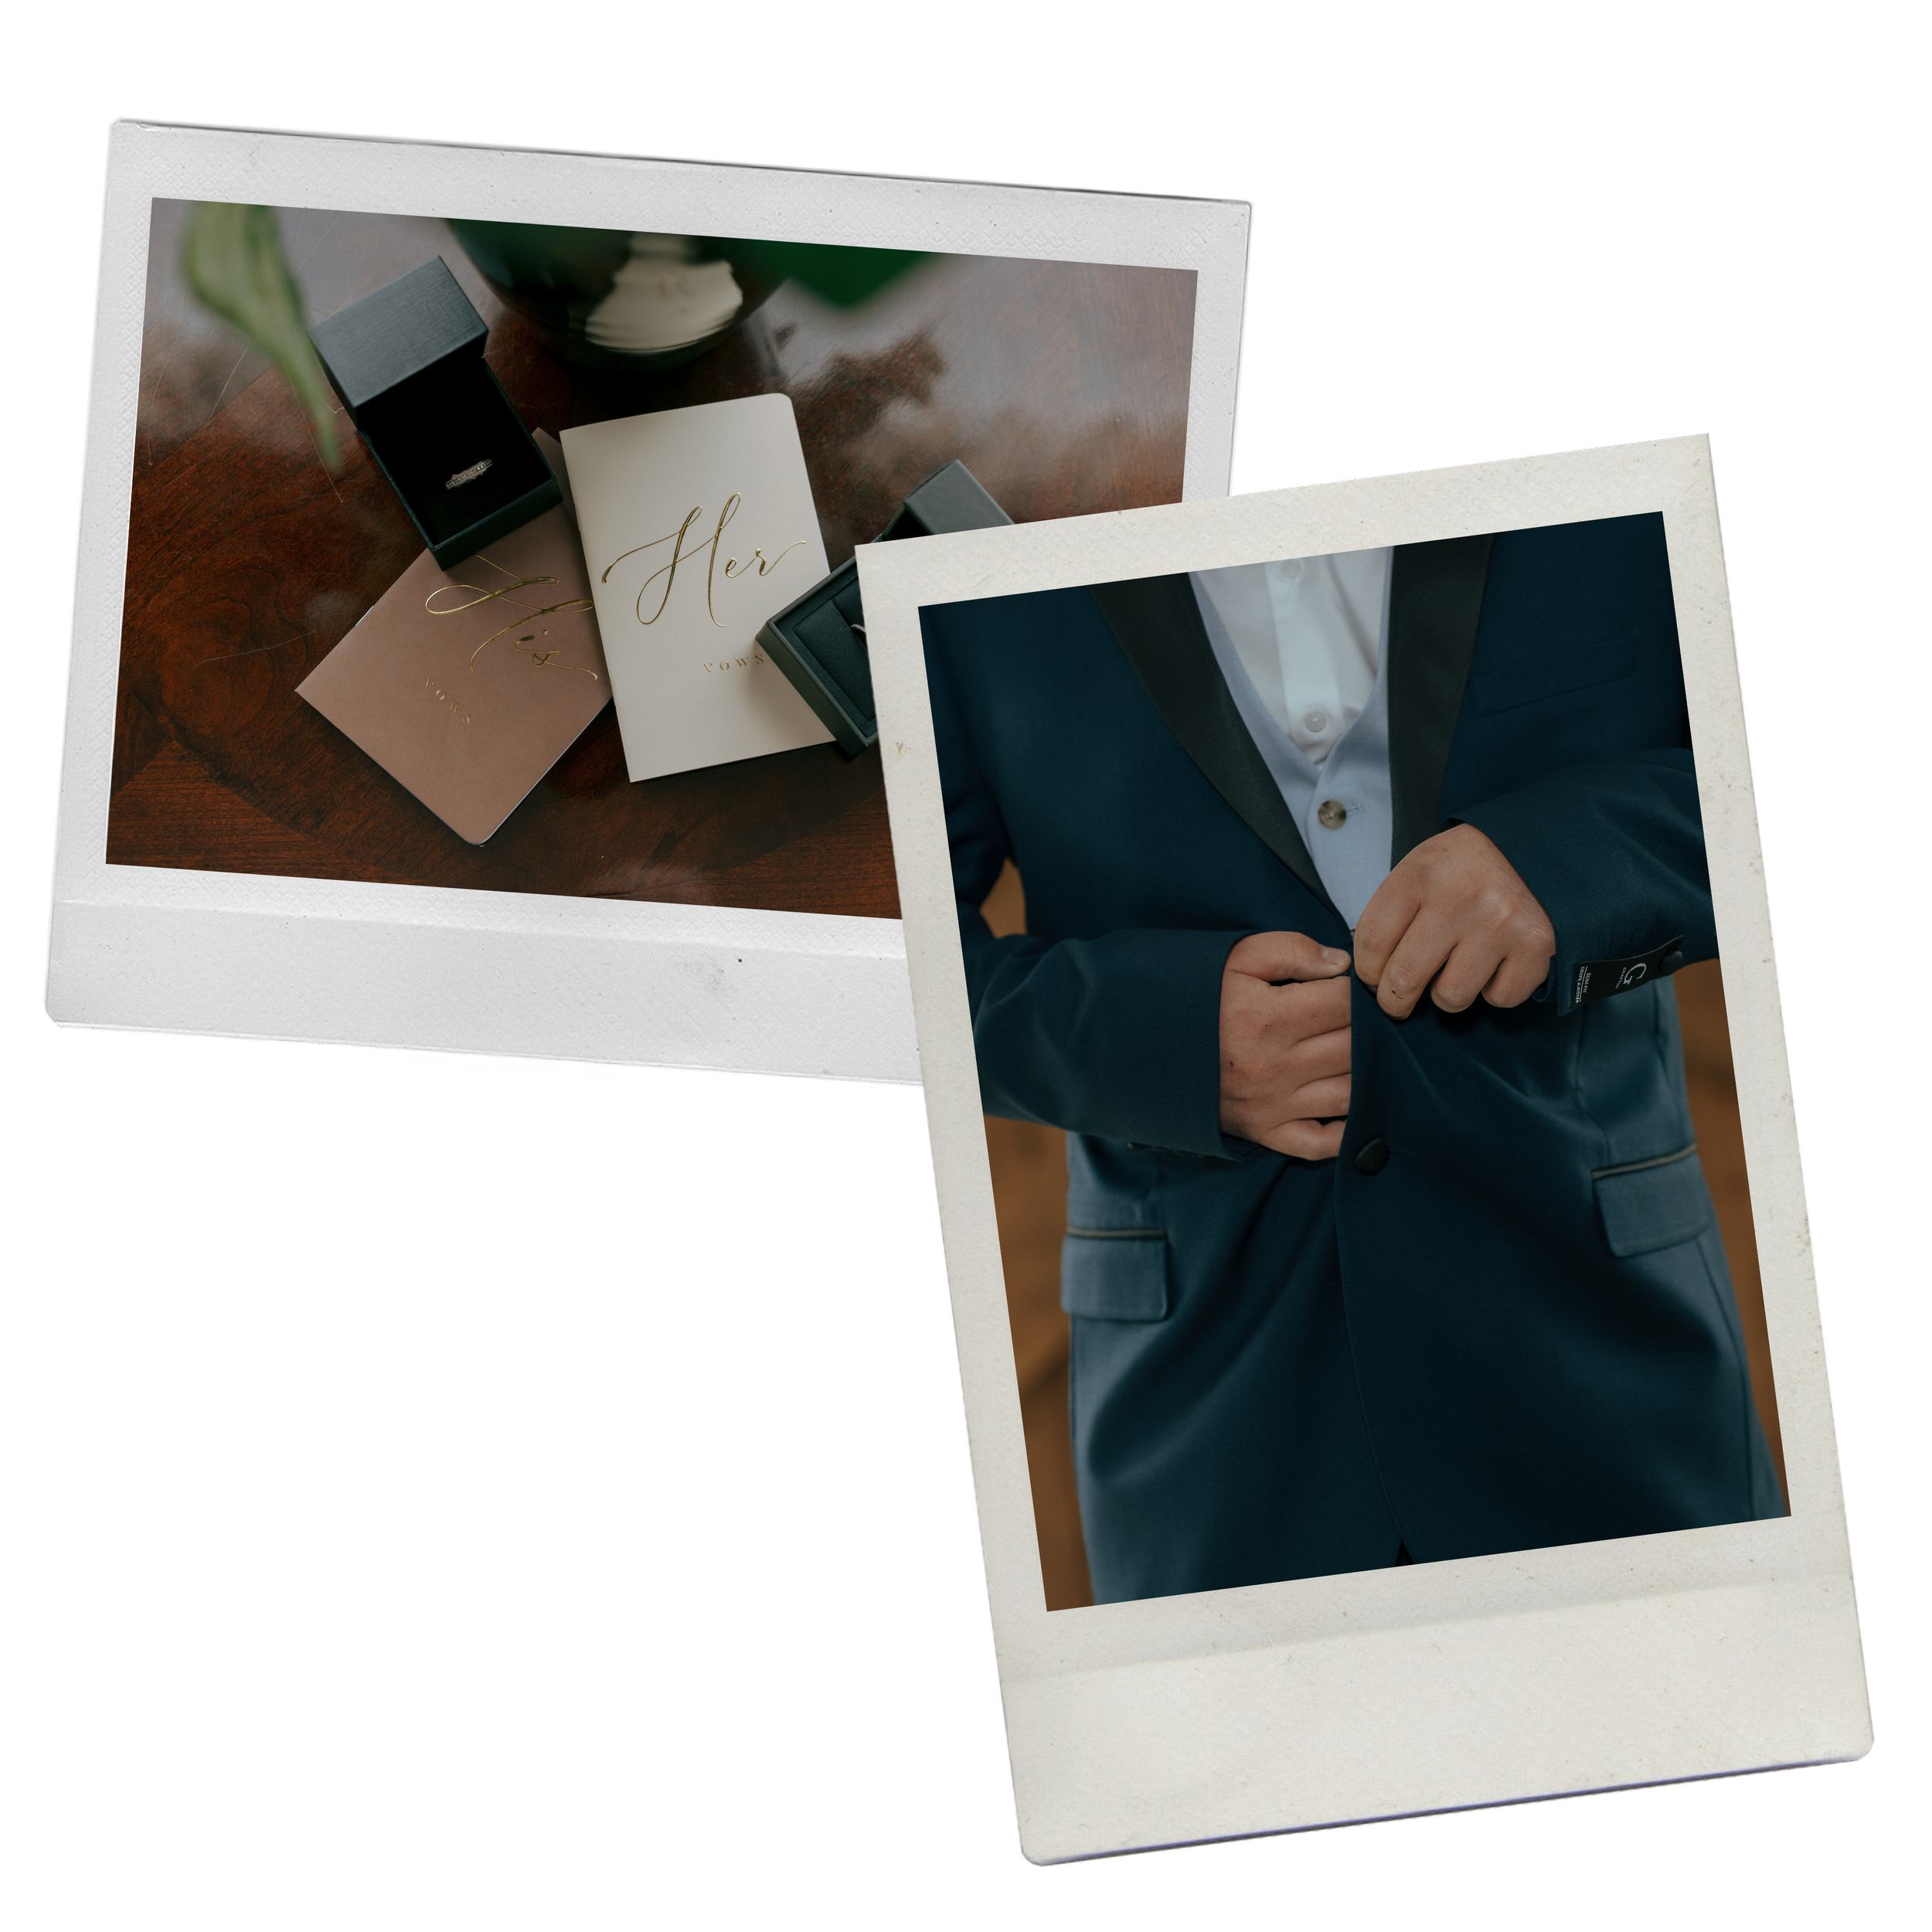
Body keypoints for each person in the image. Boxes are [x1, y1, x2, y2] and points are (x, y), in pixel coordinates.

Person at [921, 512, 1785, 1606]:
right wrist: (1154, 1036)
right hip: (1207, 1430)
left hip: (1608, 1372)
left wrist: (1575, 862)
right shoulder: (956, 506)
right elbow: (861, 948)